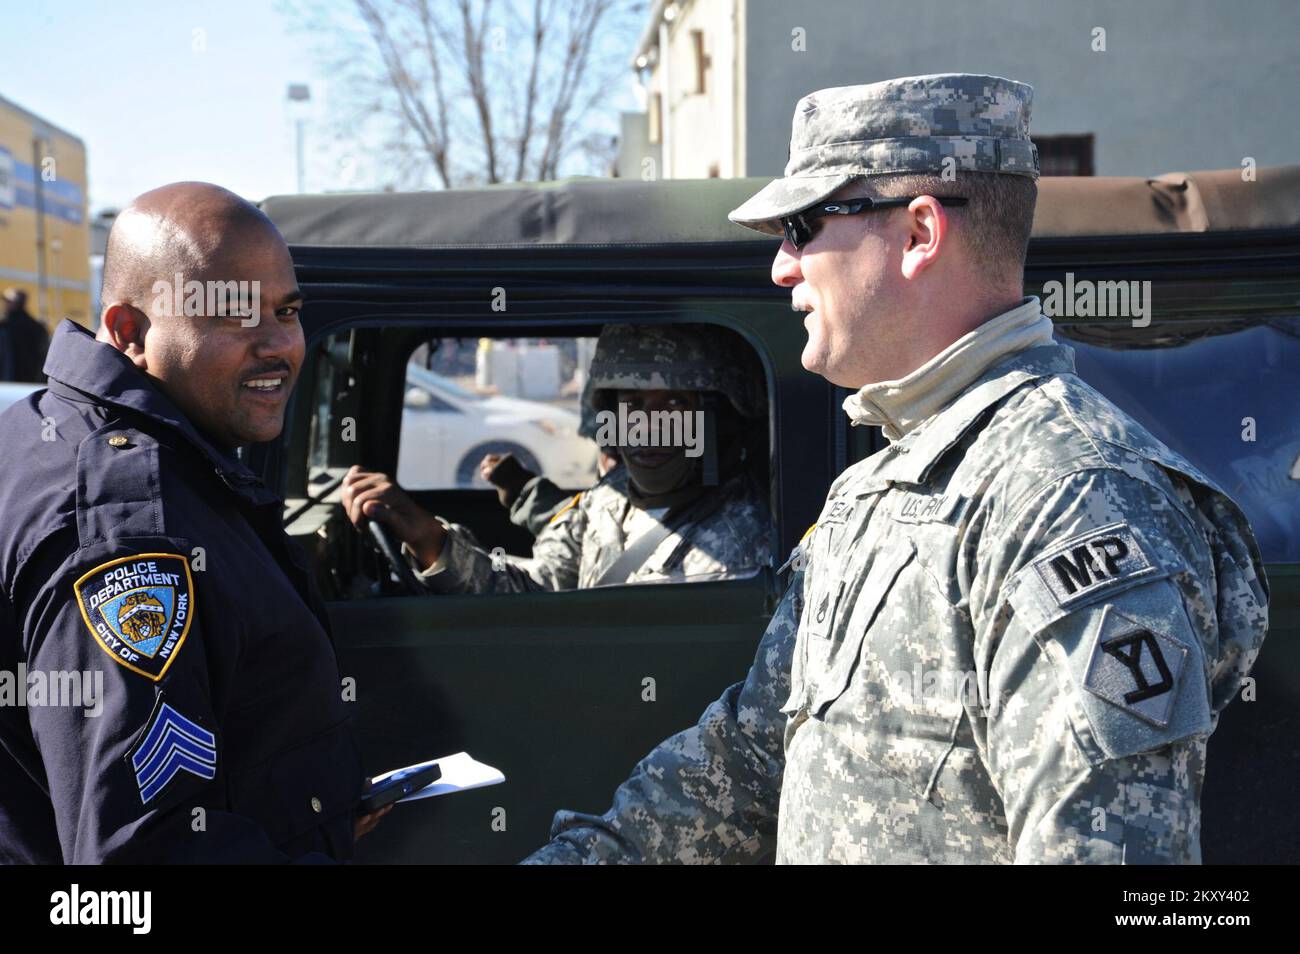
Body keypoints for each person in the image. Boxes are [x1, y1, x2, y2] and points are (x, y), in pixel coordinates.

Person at [523, 74, 1270, 864]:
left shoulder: (1069, 495)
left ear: (919, 233)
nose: (782, 267)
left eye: (805, 225)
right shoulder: (875, 489)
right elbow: (748, 758)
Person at [0, 182, 382, 863]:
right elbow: (145, 857)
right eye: (233, 314)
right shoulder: (127, 527)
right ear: (128, 332)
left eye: (287, 312)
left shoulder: (46, 431)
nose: (279, 346)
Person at [341, 323, 772, 592]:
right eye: (633, 401)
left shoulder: (740, 543)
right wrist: (431, 542)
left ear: (721, 417)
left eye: (676, 403)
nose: (647, 423)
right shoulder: (614, 495)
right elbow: (542, 590)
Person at [0, 288, 50, 383]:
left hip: (7, 384)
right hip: (30, 384)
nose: (4, 304)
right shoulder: (37, 327)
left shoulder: (5, 327)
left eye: (6, 301)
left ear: (13, 303)